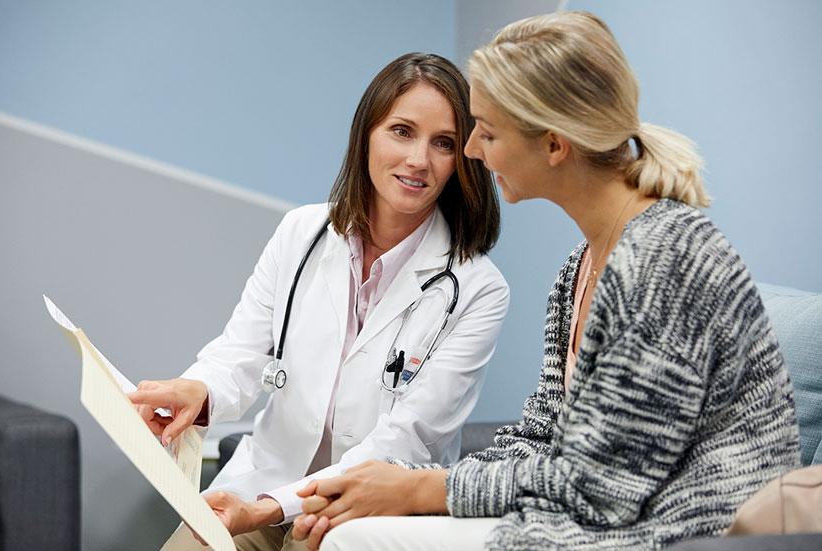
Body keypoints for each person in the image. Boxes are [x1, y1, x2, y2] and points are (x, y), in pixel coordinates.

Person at [291, 11, 801, 551]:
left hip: (680, 529)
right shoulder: (579, 270)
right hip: (607, 511)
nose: (470, 153)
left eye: (486, 132)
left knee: (355, 542)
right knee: (351, 528)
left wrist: (423, 488)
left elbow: (604, 489)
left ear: (554, 145)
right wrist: (387, 482)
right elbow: (544, 438)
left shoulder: (665, 260)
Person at [127, 52, 509, 550]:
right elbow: (240, 352)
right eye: (401, 131)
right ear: (366, 134)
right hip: (261, 483)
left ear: (463, 160)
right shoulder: (301, 233)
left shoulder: (478, 289)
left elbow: (402, 441)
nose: (419, 159)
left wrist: (272, 507)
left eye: (444, 143)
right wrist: (198, 391)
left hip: (362, 513)